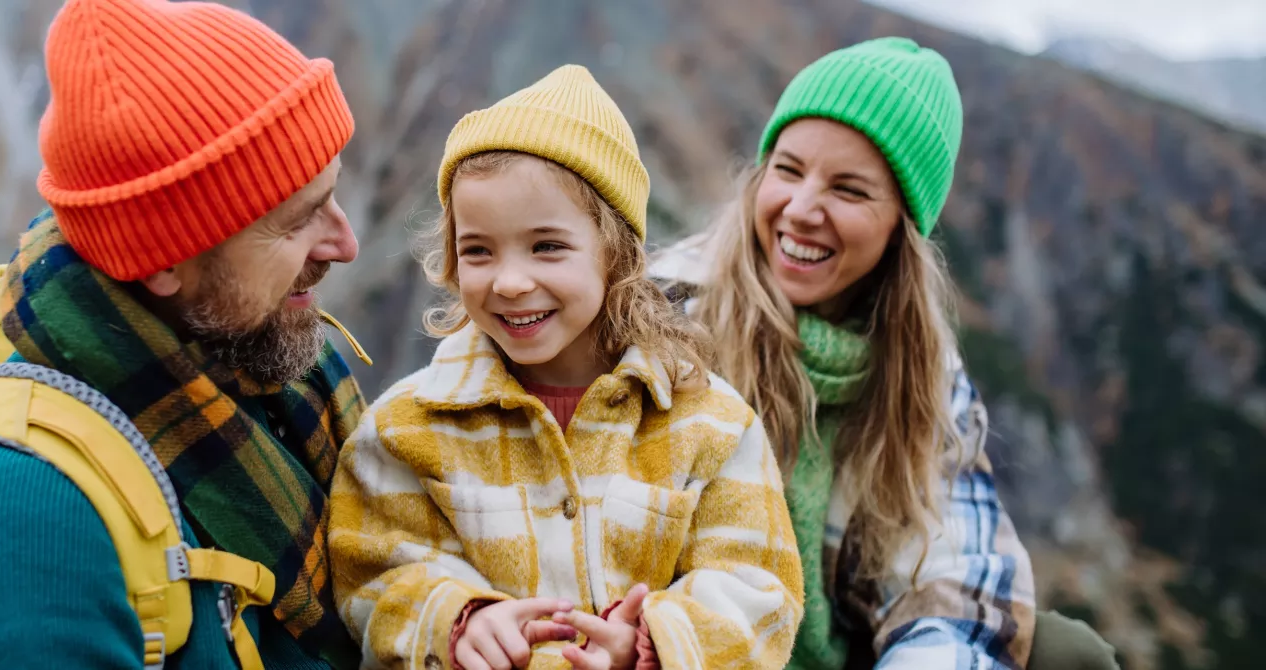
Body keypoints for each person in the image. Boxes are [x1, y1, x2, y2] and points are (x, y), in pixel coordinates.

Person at [0, 0, 370, 667]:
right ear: (165, 259)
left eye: (333, 194)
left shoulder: (266, 379)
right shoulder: (23, 515)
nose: (346, 243)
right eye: (297, 221)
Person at [650, 37, 1119, 669]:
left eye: (848, 189)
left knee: (1070, 653)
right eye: (787, 170)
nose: (801, 209)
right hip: (670, 644)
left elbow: (955, 581)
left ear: (902, 224)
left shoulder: (921, 373)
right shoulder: (667, 315)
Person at [327, 65, 805, 670]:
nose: (510, 281)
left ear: (617, 253)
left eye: (547, 246)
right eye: (478, 250)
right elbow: (371, 567)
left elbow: (757, 587)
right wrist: (456, 620)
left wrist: (653, 647)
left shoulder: (711, 426)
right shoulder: (405, 429)